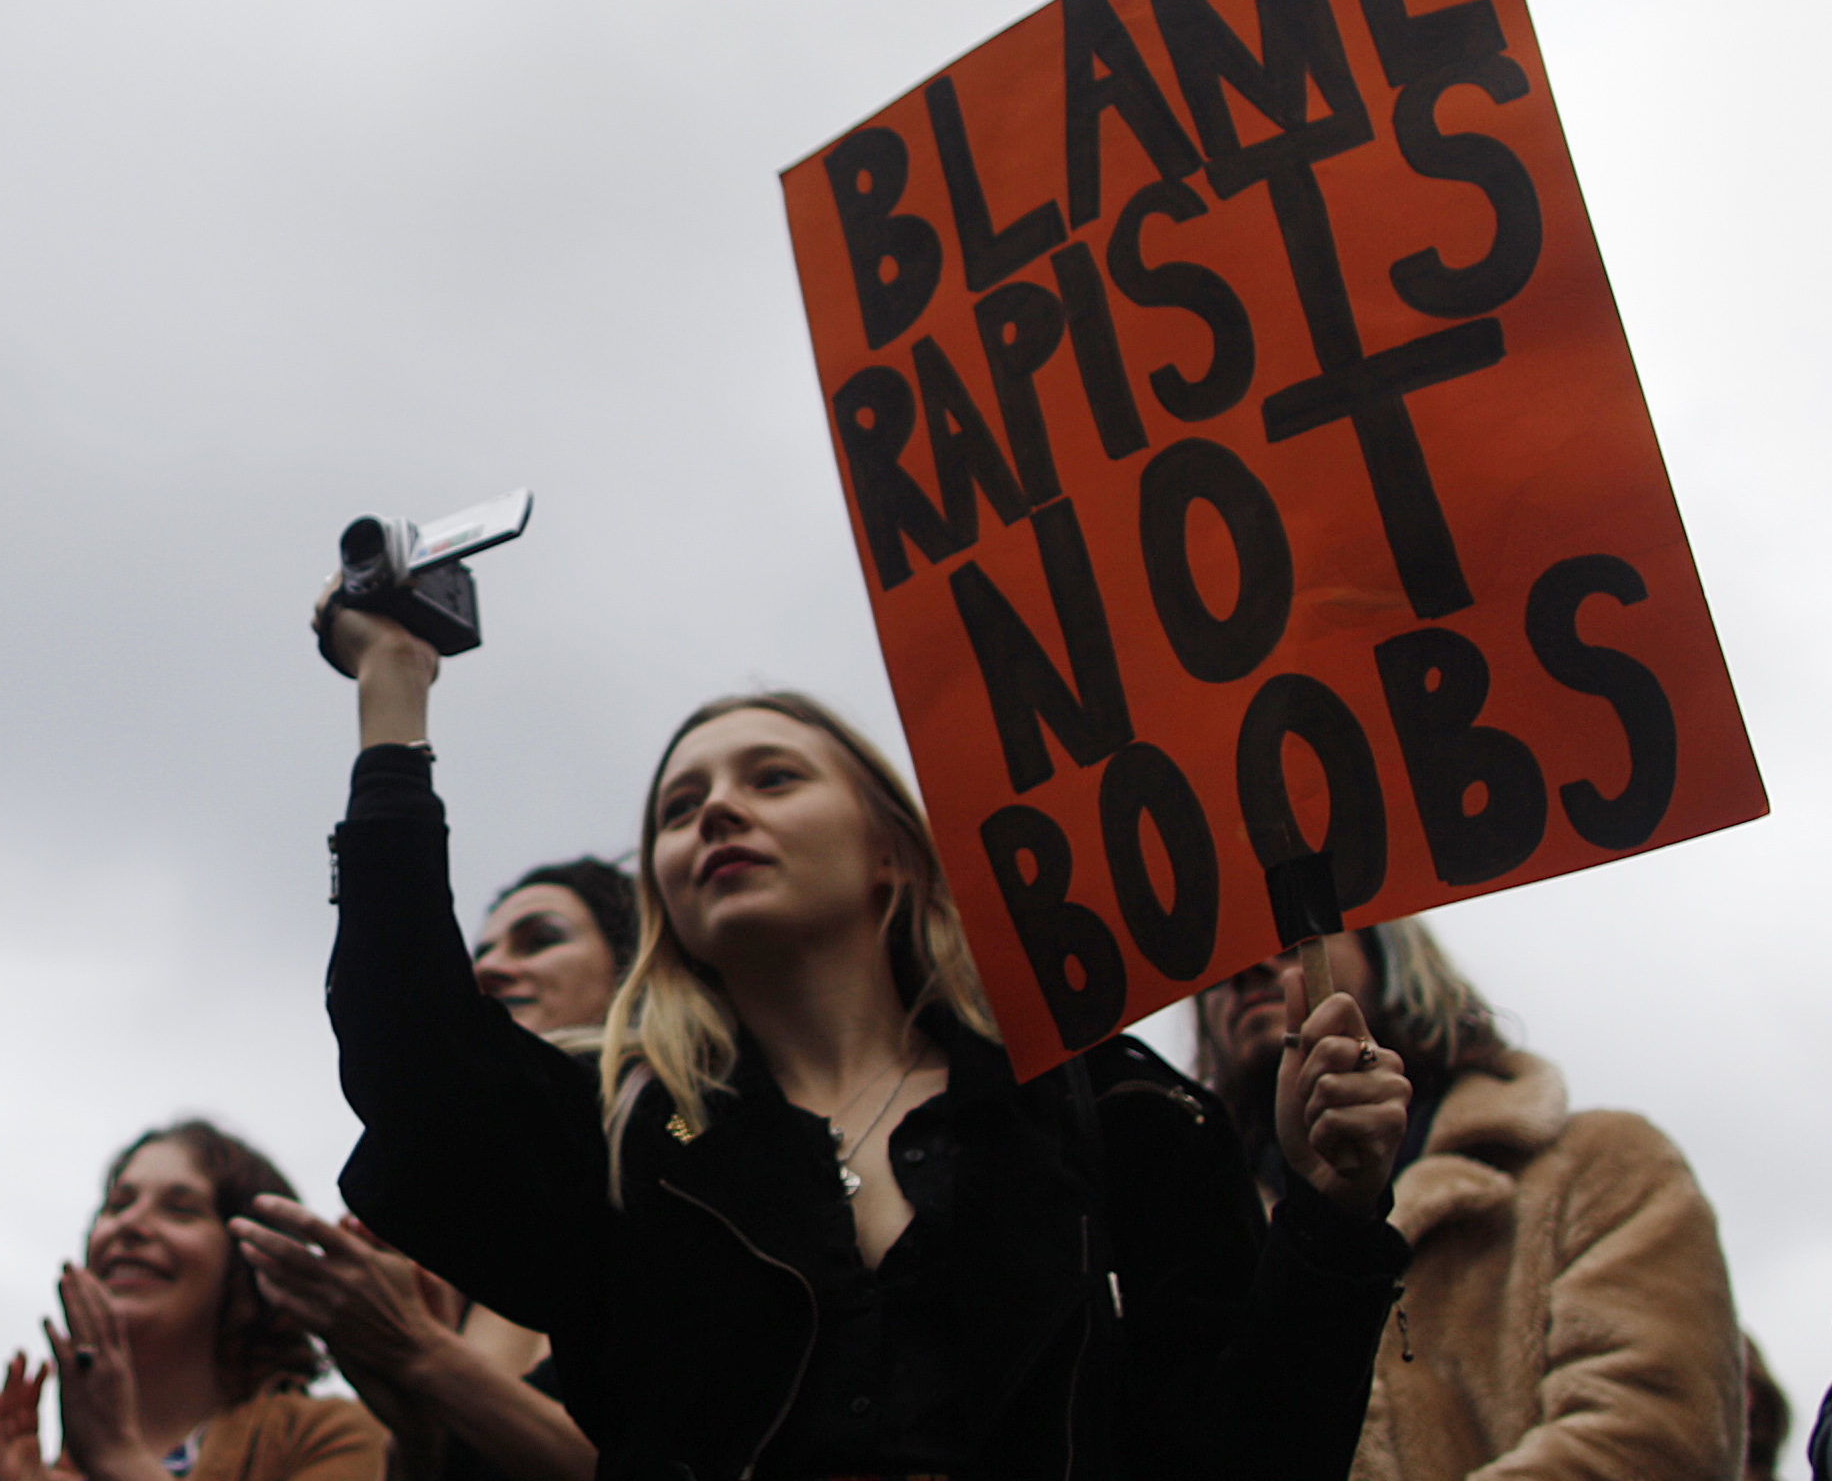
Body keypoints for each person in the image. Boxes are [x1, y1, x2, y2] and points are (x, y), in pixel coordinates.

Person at [313, 597, 1416, 1479]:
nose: (716, 812)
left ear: (891, 848)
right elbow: (410, 1048)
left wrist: (1331, 1216)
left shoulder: (1114, 1108)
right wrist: (392, 695)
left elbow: (1253, 1450)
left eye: (773, 778)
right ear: (664, 900)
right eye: (679, 808)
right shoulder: (626, 1145)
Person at [1192, 917, 1746, 1478]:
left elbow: (1651, 1439)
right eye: (1218, 958)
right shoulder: (1196, 1255)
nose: (1248, 969)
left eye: (1291, 937)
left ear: (1389, 955)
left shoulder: (1603, 1165)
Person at [239, 860, 633, 1481]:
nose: (489, 970)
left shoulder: (683, 1176)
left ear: (634, 969)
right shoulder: (467, 1245)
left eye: (540, 940)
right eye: (482, 952)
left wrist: (419, 1350)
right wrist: (415, 1422)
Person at [0, 1119, 388, 1481]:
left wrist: (119, 1459)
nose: (130, 1224)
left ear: (249, 1257)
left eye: (180, 1210)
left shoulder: (327, 1437)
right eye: (118, 1205)